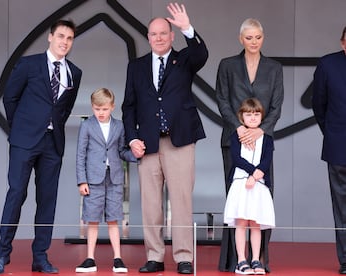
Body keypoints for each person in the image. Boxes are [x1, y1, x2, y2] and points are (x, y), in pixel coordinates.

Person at [0, 19, 82, 274]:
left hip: (52, 144)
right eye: (61, 36)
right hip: (24, 141)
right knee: (16, 194)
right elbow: (10, 97)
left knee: (47, 201)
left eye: (70, 38)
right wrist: (20, 127)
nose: (65, 42)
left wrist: (51, 126)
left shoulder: (75, 72)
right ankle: (1, 255)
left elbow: (64, 109)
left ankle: (40, 257)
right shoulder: (29, 64)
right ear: (50, 37)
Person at [122, 3, 208, 274]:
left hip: (179, 140)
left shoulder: (184, 60)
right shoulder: (135, 67)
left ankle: (184, 257)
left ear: (171, 36)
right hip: (147, 143)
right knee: (150, 204)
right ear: (148, 38)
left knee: (181, 201)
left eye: (163, 33)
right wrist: (132, 138)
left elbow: (201, 53)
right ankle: (155, 257)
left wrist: (187, 28)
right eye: (153, 34)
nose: (158, 38)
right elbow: (128, 107)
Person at [216, 18, 284, 273]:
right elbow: (221, 99)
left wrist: (260, 131)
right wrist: (239, 127)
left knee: (260, 203)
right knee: (235, 205)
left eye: (258, 37)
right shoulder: (227, 65)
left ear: (263, 38)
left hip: (262, 144)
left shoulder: (274, 68)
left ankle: (260, 260)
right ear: (240, 39)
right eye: (248, 37)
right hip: (233, 140)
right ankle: (235, 261)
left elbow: (277, 106)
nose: (254, 42)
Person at [75, 88, 136, 273]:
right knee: (92, 219)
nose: (100, 113)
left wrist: (137, 155)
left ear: (112, 107)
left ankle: (118, 259)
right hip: (93, 179)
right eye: (96, 109)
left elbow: (122, 150)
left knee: (114, 219)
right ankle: (89, 259)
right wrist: (82, 181)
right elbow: (80, 155)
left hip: (115, 178)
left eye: (104, 109)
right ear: (92, 107)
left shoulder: (119, 126)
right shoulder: (86, 126)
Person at [223, 98, 275, 275]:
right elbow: (237, 159)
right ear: (241, 117)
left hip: (258, 185)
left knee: (255, 224)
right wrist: (253, 173)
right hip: (241, 184)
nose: (252, 118)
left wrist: (257, 175)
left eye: (256, 114)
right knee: (241, 222)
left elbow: (267, 159)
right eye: (248, 114)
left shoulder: (267, 138)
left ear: (262, 116)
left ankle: (255, 260)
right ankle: (240, 260)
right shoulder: (236, 136)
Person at [312, 26, 346, 275]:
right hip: (338, 145)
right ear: (343, 43)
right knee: (342, 207)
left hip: (336, 141)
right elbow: (318, 104)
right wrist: (332, 132)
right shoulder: (328, 64)